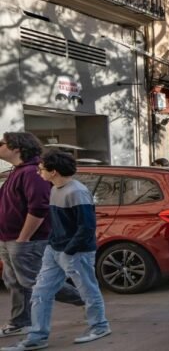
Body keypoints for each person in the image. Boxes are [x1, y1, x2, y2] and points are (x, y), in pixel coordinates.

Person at [3, 150, 110, 350]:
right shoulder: (55, 189)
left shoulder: (76, 191)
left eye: (41, 169)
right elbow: (57, 224)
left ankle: (100, 326)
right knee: (40, 293)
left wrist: (68, 251)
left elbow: (86, 227)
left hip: (76, 252)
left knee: (88, 290)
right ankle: (37, 337)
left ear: (53, 172)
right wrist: (52, 246)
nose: (38, 172)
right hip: (54, 251)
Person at [0, 133, 83, 340]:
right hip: (10, 238)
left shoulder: (31, 172)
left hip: (26, 240)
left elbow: (39, 207)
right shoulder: (18, 171)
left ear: (16, 148)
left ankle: (87, 299)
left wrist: (23, 238)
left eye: (2, 143)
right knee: (14, 282)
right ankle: (20, 322)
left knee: (36, 282)